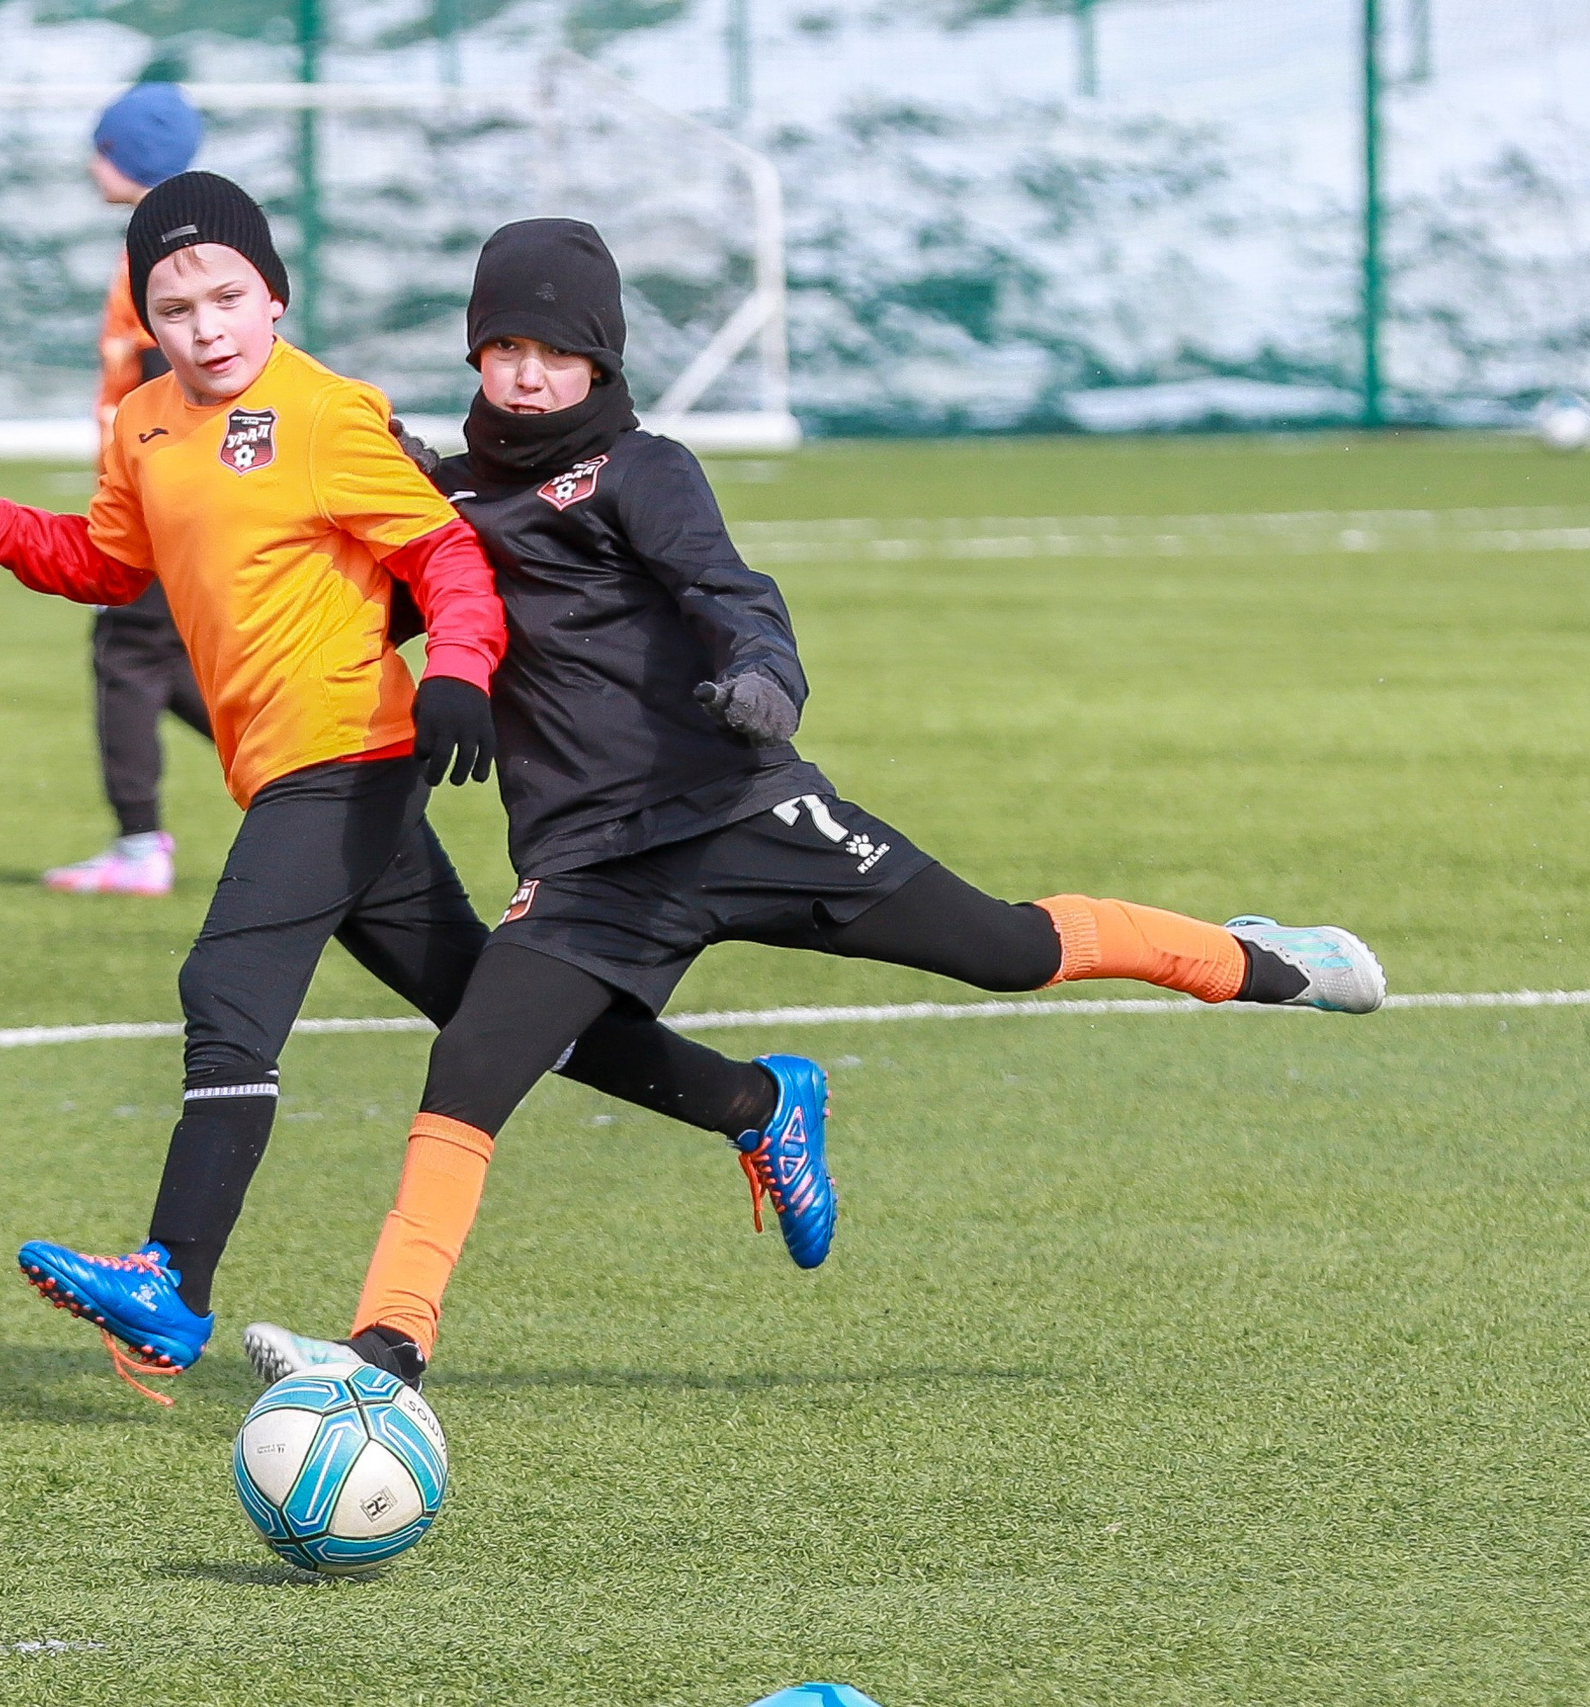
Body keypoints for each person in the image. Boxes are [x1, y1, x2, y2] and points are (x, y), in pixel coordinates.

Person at [243, 219, 1387, 1392]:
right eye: (504, 347)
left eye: (556, 351)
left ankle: (1261, 961)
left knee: (1005, 948)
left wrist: (762, 681)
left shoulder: (644, 468)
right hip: (588, 863)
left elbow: (729, 592)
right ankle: (385, 1348)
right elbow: (364, 613)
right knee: (473, 1063)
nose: (528, 373)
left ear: (602, 361)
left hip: (736, 811)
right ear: (475, 354)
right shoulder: (446, 500)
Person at [0, 178, 821, 1403]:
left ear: (275, 297)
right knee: (482, 1010)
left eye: (229, 296)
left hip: (348, 755)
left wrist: (456, 675)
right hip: (277, 765)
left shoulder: (333, 417)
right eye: (175, 307)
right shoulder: (142, 428)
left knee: (225, 983)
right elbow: (112, 563)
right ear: (146, 320)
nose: (206, 325)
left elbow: (445, 550)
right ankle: (755, 1102)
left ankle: (170, 1281)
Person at [46, 81, 213, 898]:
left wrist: (149, 485)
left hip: (155, 495)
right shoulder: (166, 241)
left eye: (103, 148)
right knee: (164, 658)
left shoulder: (159, 253)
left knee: (125, 653)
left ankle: (140, 845)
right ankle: (309, 769)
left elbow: (166, 369)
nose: (90, 162)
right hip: (162, 489)